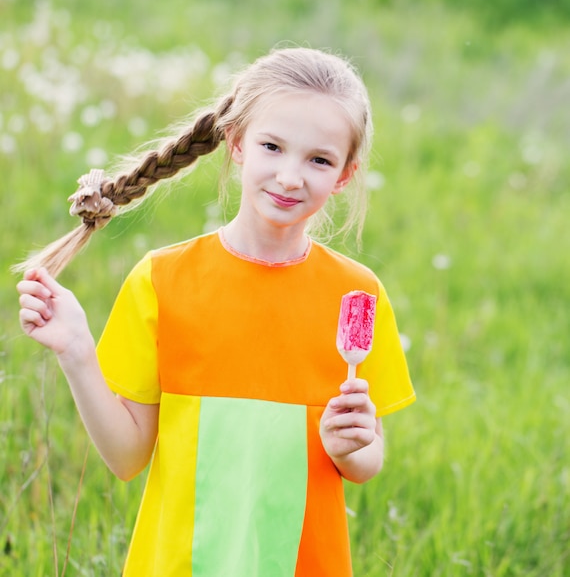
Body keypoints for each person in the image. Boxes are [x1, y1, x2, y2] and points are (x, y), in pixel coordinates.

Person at [16, 46, 415, 576]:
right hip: (180, 563)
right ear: (237, 144)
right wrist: (76, 352)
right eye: (272, 146)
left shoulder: (356, 295)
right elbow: (127, 456)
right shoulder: (163, 280)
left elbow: (366, 464)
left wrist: (352, 447)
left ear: (344, 174)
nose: (291, 176)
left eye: (319, 159)